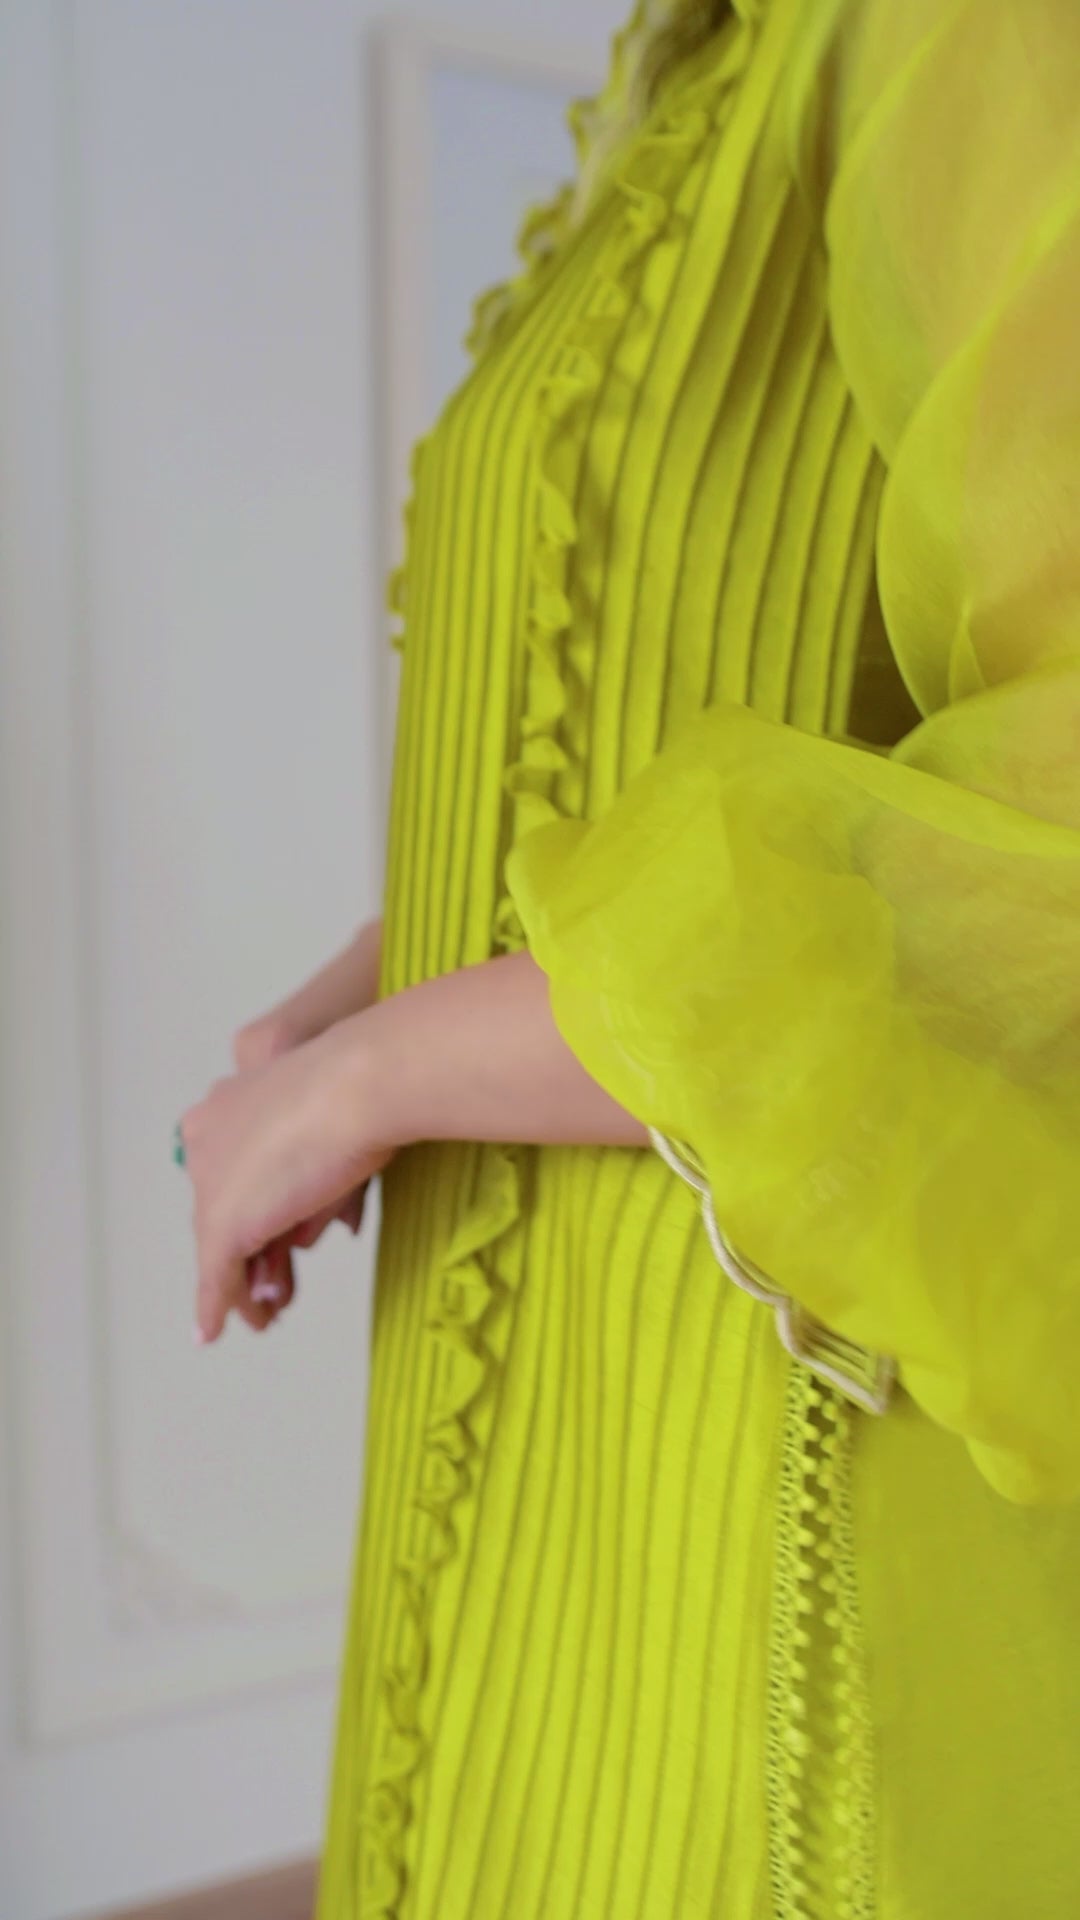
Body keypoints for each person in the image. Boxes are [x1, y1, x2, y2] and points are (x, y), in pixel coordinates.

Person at [177, 0, 1080, 1912]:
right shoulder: (685, 71)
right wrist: (375, 988)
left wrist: (379, 1078)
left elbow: (1051, 809)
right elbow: (656, 749)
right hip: (523, 1403)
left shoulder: (967, 36)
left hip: (765, 1422)